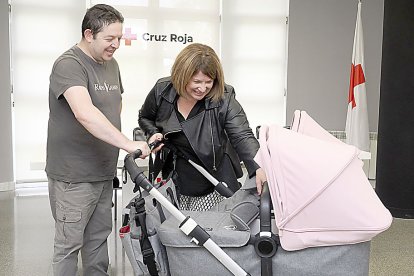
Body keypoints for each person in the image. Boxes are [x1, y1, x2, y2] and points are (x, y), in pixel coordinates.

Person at [46, 4, 150, 276]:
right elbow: (85, 113)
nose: (116, 44)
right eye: (110, 38)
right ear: (89, 34)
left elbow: (114, 106)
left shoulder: (111, 64)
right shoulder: (69, 64)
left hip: (102, 172)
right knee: (68, 245)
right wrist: (128, 143)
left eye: (119, 38)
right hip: (73, 177)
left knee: (97, 241)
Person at [138, 43, 267, 211]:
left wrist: (258, 166)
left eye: (208, 82)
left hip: (214, 181)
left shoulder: (223, 99)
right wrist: (153, 133)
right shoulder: (162, 90)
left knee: (210, 232)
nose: (202, 88)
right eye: (196, 81)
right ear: (181, 76)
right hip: (175, 178)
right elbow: (145, 117)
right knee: (175, 232)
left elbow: (242, 135)